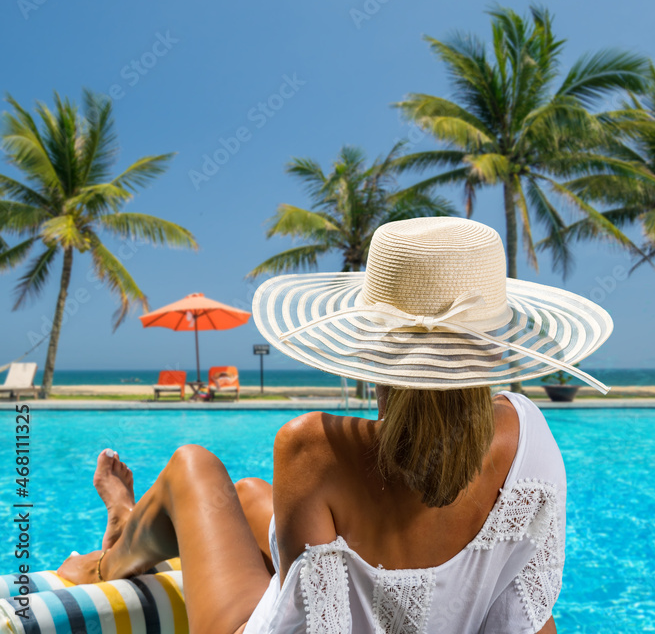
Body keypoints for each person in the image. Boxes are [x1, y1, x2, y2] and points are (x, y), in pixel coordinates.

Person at [58, 217, 613, 634]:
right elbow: (529, 619)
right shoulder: (532, 441)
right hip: (328, 548)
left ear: (370, 346)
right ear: (496, 344)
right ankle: (128, 524)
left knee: (192, 467)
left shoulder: (313, 449)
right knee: (252, 496)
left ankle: (111, 553)